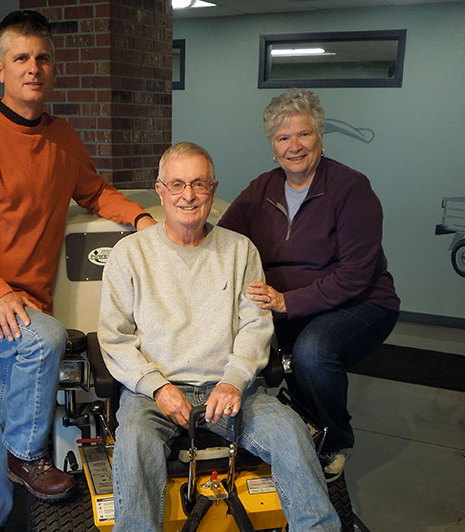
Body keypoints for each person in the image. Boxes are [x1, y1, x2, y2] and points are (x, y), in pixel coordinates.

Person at [0, 10, 156, 531]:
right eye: (22, 57)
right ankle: (28, 460)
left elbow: (94, 191)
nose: (34, 67)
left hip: (28, 305)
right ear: (0, 68)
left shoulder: (63, 138)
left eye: (43, 57)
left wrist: (140, 218)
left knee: (4, 419)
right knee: (42, 342)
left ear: (53, 69)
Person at [98, 142, 340, 531]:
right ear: (160, 191)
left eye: (198, 184)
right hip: (154, 395)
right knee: (135, 445)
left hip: (231, 391)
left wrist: (234, 380)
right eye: (177, 185)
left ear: (213, 189)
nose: (188, 195)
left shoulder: (240, 250)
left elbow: (255, 325)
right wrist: (158, 388)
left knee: (289, 431)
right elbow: (114, 338)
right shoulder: (129, 254)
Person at [218, 88, 400, 483]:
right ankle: (297, 424)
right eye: (283, 138)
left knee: (313, 352)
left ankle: (336, 439)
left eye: (304, 135)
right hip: (292, 305)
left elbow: (356, 274)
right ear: (272, 145)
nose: (294, 146)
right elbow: (223, 242)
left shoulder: (351, 189)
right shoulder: (260, 190)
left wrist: (287, 301)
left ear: (319, 137)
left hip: (361, 304)